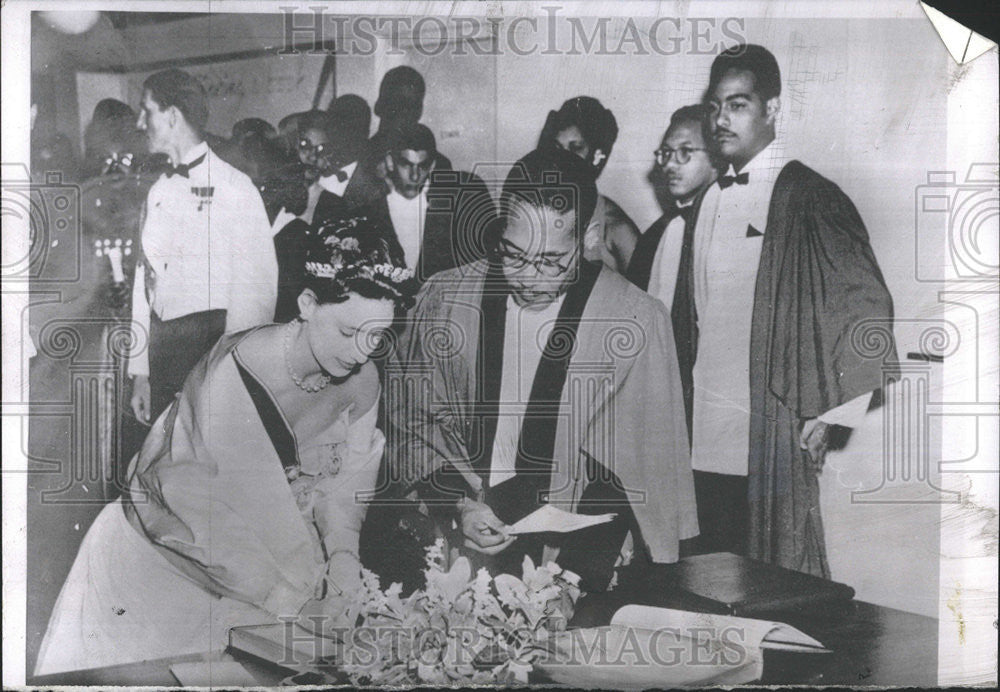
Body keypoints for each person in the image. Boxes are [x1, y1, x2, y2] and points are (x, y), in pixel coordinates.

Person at [35, 220, 417, 675]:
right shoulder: (238, 367)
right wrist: (295, 604)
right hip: (158, 568)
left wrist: (343, 558)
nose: (360, 352)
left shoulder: (363, 381)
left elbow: (345, 488)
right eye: (348, 331)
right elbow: (199, 517)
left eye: (376, 336)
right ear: (308, 304)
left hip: (267, 577)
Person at [383, 147, 698, 592]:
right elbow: (411, 420)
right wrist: (457, 504)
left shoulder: (635, 321)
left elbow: (640, 472)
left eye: (550, 261)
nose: (529, 278)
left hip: (576, 559)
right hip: (457, 537)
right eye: (513, 254)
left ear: (590, 236)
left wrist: (570, 582)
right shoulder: (447, 299)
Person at [677, 45, 896, 574]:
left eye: (738, 104)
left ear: (772, 109)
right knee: (701, 574)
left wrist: (828, 413)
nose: (721, 119)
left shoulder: (808, 194)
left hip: (766, 427)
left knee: (768, 575)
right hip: (702, 428)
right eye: (715, 106)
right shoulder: (707, 198)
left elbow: (868, 306)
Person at [128, 69, 278, 424]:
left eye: (145, 110)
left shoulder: (236, 188)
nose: (139, 122)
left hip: (211, 355)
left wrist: (228, 377)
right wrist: (140, 373)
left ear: (172, 115)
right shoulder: (157, 189)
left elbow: (256, 296)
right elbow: (142, 286)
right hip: (162, 356)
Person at [626, 104, 720, 435]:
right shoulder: (655, 236)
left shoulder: (735, 232)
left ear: (716, 159)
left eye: (684, 153)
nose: (668, 165)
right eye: (666, 153)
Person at [358, 122, 497, 284]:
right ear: (390, 162)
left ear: (432, 166)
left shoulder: (459, 201)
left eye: (422, 166)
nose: (415, 176)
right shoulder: (370, 210)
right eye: (406, 164)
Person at [538, 97, 640, 274]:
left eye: (575, 148)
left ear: (597, 156)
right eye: (557, 147)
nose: (561, 158)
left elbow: (645, 299)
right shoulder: (535, 211)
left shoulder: (616, 228)